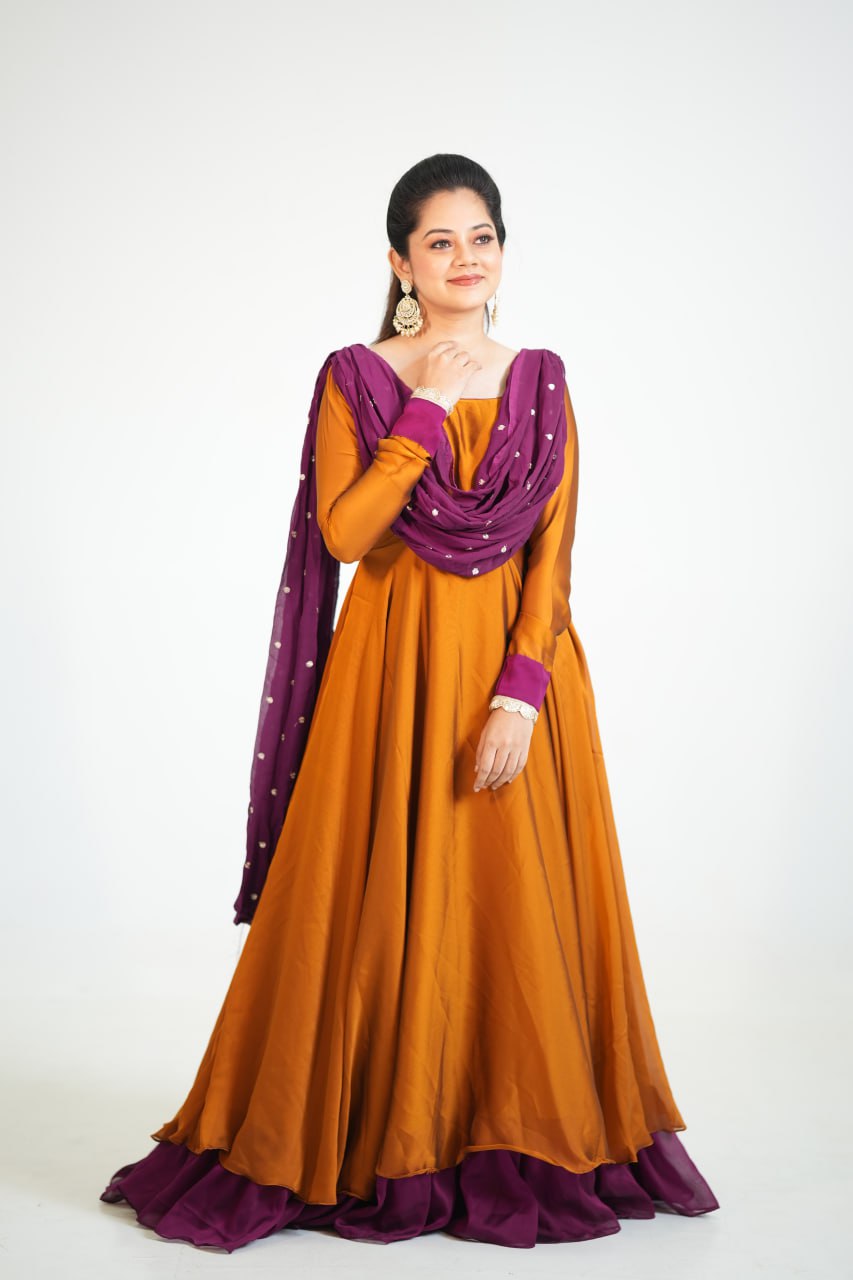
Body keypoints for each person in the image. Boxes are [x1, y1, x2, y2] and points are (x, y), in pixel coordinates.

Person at [99, 153, 720, 1251]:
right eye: (440, 241)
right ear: (399, 262)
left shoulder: (541, 379)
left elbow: (552, 559)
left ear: (502, 250)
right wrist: (425, 406)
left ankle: (518, 1128)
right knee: (377, 905)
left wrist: (520, 696)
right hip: (390, 678)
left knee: (510, 909)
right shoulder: (356, 375)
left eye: (482, 237)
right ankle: (377, 1132)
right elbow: (345, 533)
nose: (464, 258)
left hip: (517, 683)